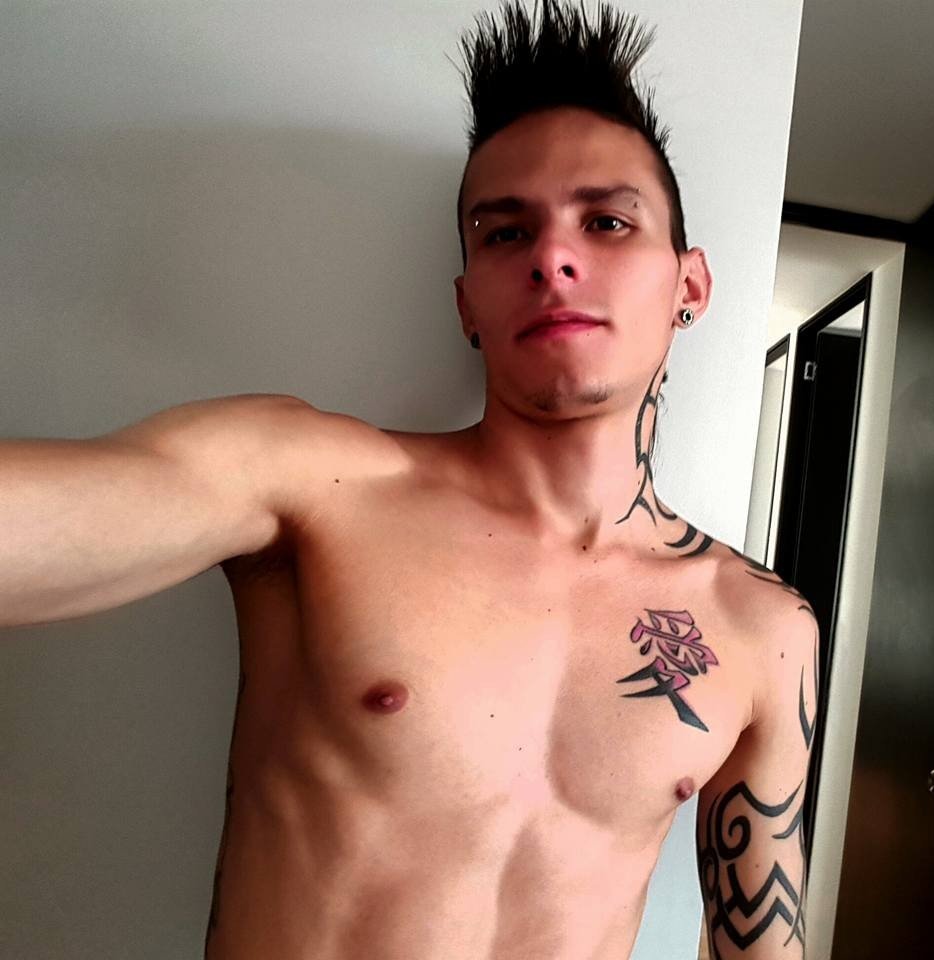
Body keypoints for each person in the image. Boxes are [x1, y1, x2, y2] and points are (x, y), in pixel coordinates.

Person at [2, 1, 818, 957]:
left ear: (690, 285)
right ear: (467, 304)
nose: (554, 258)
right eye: (506, 233)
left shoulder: (760, 629)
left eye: (606, 221)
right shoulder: (317, 488)